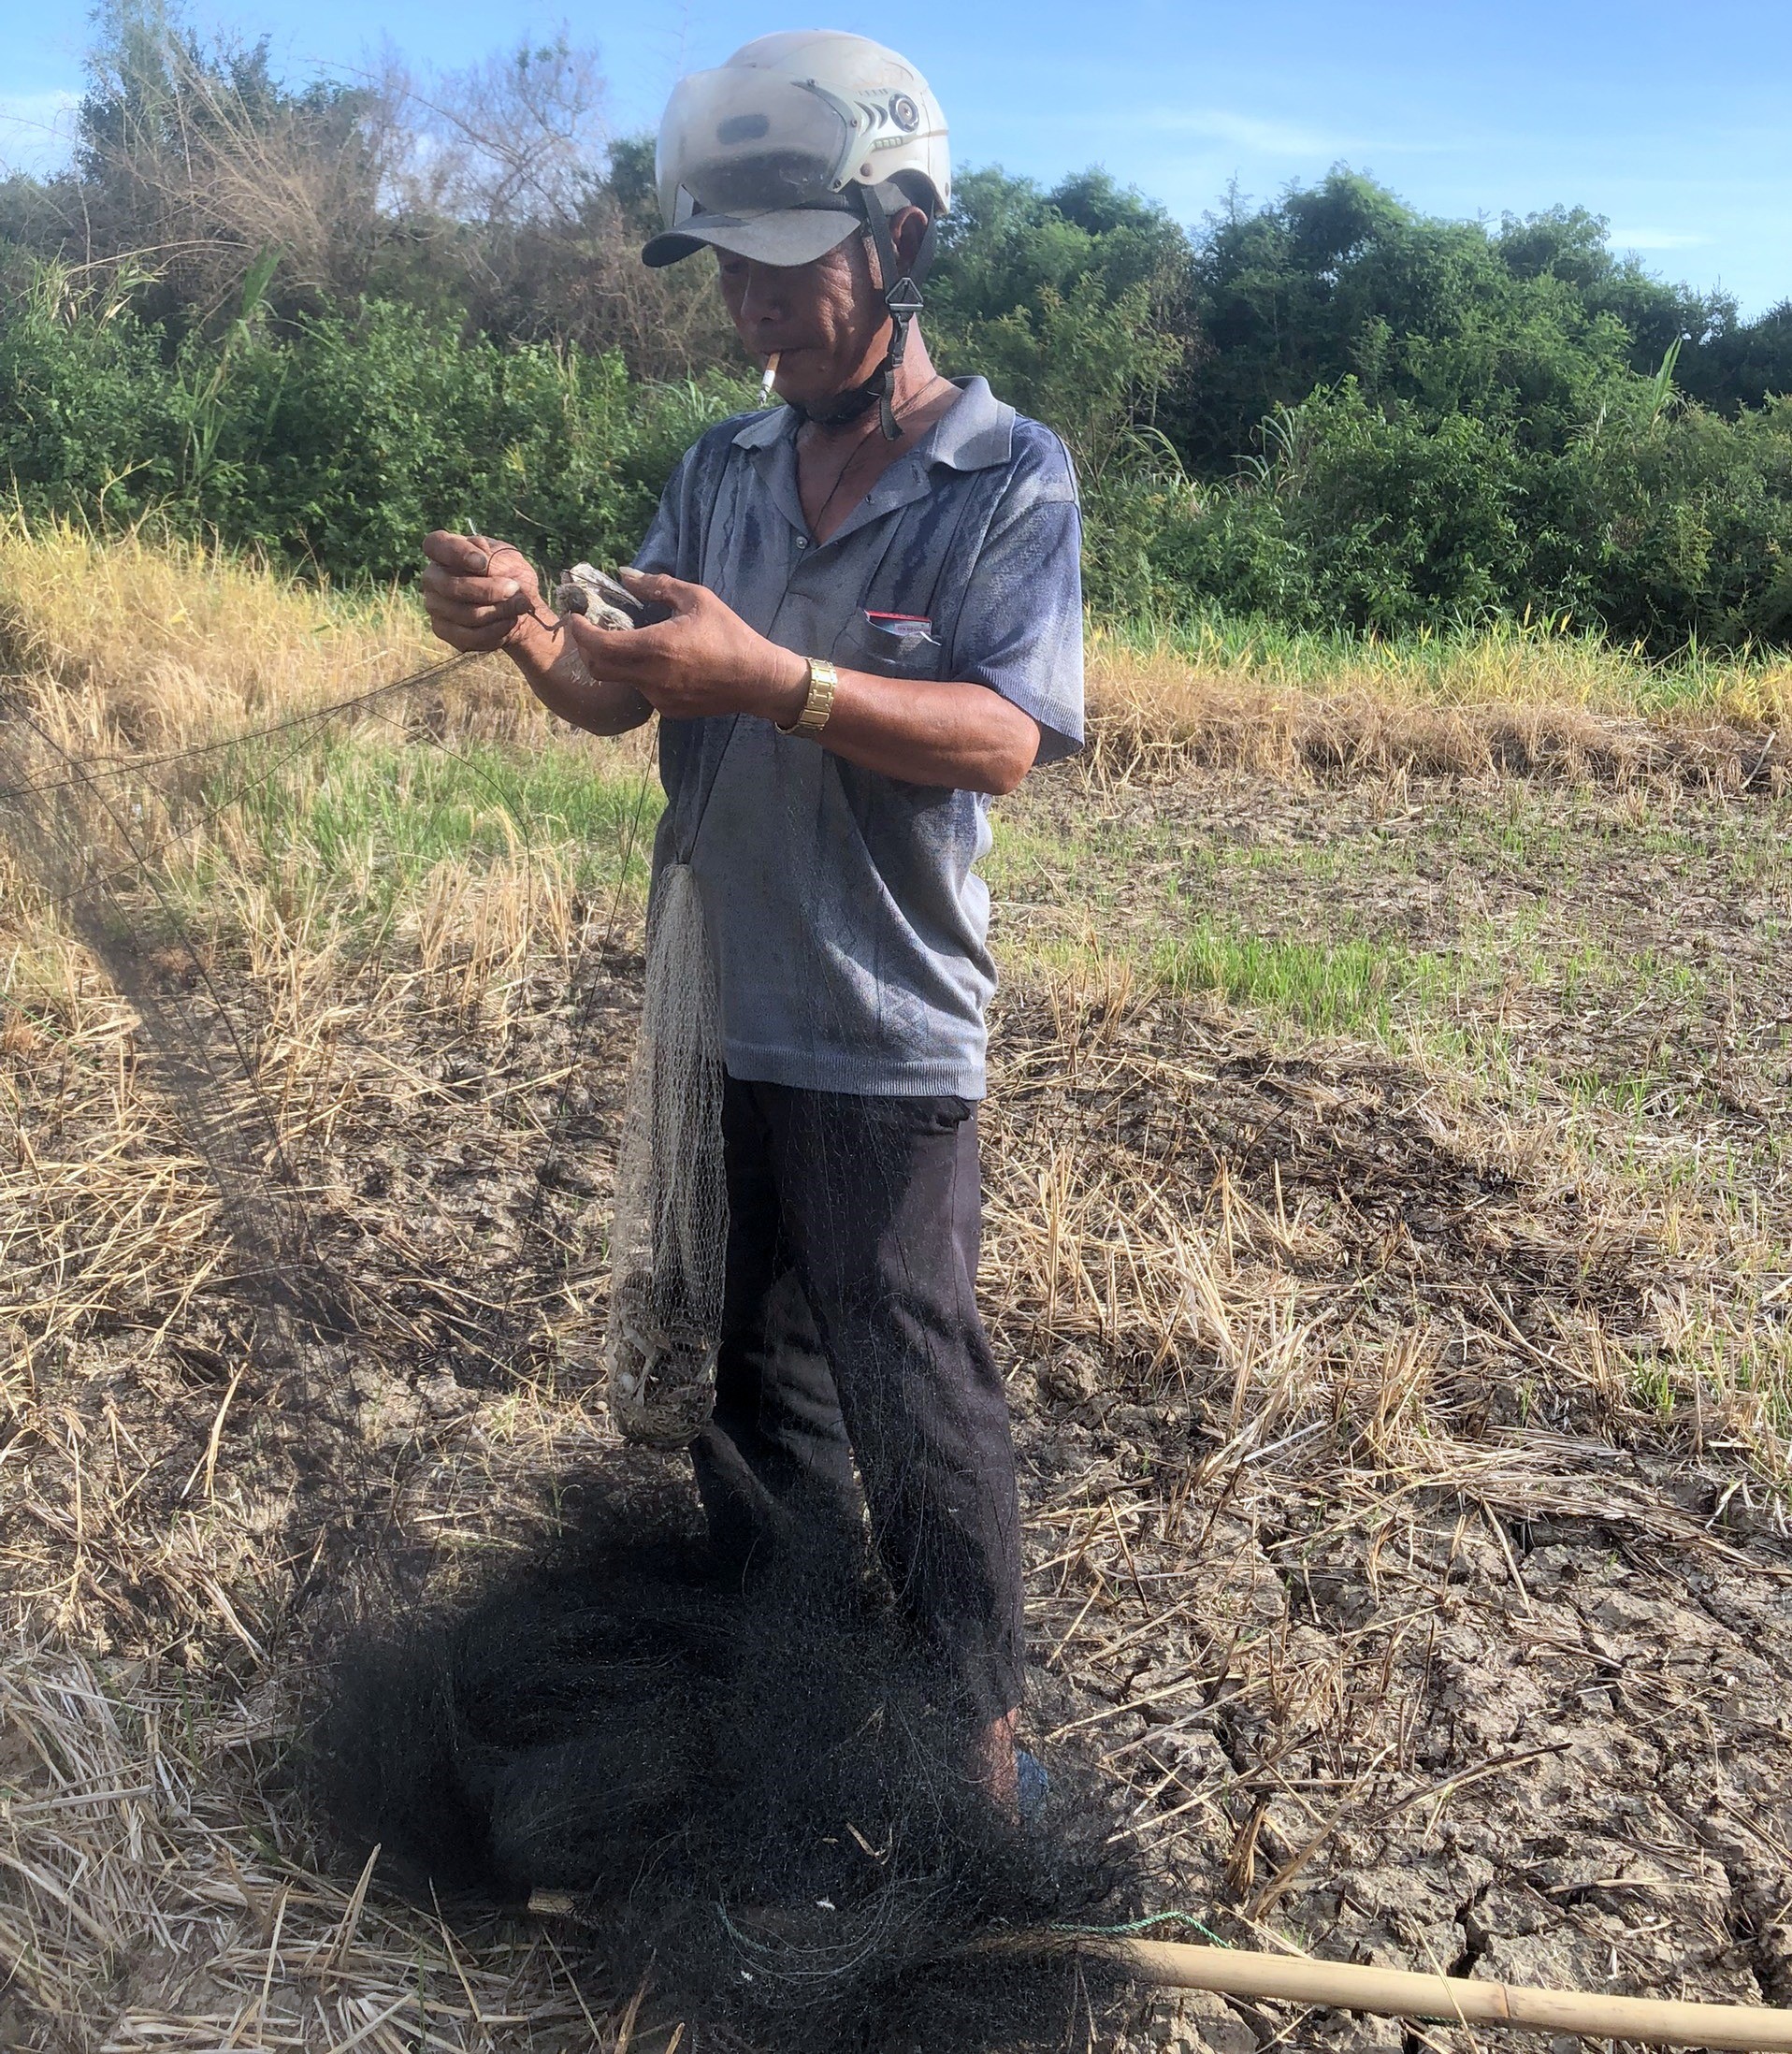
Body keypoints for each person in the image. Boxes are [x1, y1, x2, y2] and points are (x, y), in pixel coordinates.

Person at [418, 30, 1084, 1804]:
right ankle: (784, 1676)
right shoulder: (720, 466)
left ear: (903, 236)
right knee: (750, 1380)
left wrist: (777, 677)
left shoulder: (1010, 479)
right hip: (718, 1004)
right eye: (729, 272)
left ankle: (975, 1756)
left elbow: (1001, 742)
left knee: (911, 1378)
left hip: (882, 1024)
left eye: (787, 270)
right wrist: (529, 636)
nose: (753, 312)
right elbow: (629, 700)